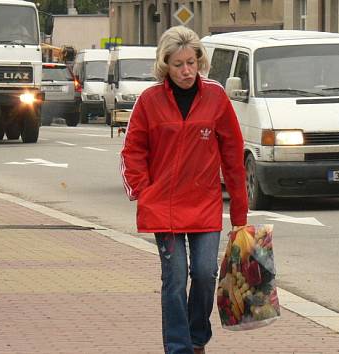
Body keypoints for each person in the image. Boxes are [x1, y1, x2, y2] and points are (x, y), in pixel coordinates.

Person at [120, 25, 248, 354]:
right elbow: (132, 150)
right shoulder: (149, 101)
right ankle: (179, 348)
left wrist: (239, 212)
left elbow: (233, 156)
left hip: (204, 204)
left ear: (200, 61)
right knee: (175, 280)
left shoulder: (216, 98)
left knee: (205, 274)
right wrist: (143, 190)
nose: (186, 71)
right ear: (165, 65)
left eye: (191, 62)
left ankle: (196, 338)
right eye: (178, 65)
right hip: (163, 207)